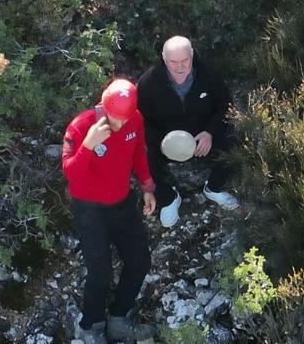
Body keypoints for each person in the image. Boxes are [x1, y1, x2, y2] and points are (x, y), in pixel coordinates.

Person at [61, 79, 157, 344]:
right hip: (90, 210)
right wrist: (89, 145)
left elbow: (138, 152)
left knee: (139, 262)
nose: (120, 124)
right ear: (103, 106)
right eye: (115, 118)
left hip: (122, 203)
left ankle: (118, 319)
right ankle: (90, 327)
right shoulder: (81, 127)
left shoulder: (134, 119)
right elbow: (71, 174)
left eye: (125, 119)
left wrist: (147, 185)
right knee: (100, 273)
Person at [137, 36, 239, 228]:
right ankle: (168, 197)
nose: (180, 67)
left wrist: (209, 132)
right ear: (164, 59)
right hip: (166, 140)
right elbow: (140, 120)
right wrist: (161, 142)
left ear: (192, 54)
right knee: (140, 154)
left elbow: (224, 105)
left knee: (232, 139)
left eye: (185, 60)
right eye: (173, 62)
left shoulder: (208, 74)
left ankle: (214, 187)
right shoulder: (148, 83)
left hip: (202, 135)